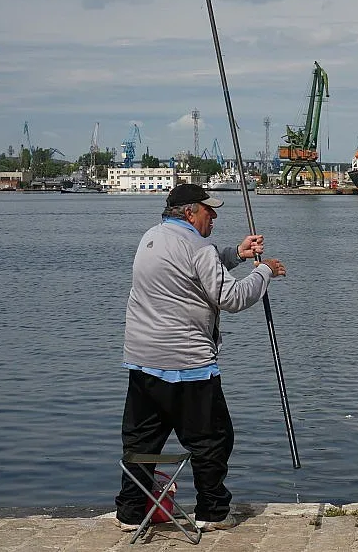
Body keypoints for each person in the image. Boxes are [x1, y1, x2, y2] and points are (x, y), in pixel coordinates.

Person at [115, 183, 286, 532]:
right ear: (191, 212)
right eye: (210, 210)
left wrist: (236, 254)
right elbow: (232, 297)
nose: (215, 215)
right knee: (211, 440)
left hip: (143, 361)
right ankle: (212, 511)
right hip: (188, 365)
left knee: (141, 441)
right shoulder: (198, 247)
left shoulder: (151, 238)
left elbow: (191, 272)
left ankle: (131, 513)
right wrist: (264, 271)